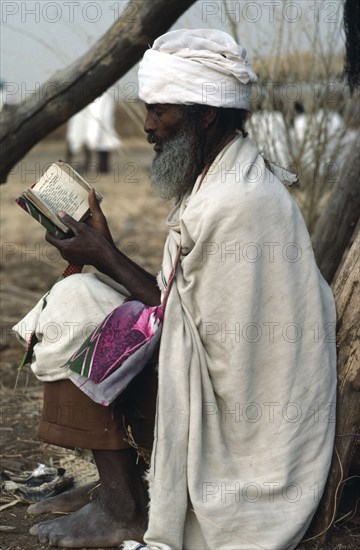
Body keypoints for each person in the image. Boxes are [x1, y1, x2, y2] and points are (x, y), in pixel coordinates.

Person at [13, 29, 337, 549]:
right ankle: (118, 490)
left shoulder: (237, 201)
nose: (147, 126)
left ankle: (123, 509)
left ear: (205, 113)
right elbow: (182, 302)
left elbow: (196, 333)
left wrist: (104, 256)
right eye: (147, 110)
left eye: (160, 111)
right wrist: (105, 248)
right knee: (83, 300)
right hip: (206, 370)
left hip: (238, 414)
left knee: (78, 310)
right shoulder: (221, 176)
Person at [66, 89, 121, 173]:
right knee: (78, 135)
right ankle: (77, 165)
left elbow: (98, 114)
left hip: (101, 116)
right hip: (88, 108)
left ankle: (101, 168)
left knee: (102, 140)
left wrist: (92, 137)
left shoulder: (104, 96)